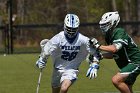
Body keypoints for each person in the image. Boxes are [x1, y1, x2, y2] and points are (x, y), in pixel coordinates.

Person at [36, 14, 102, 93]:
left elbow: (95, 52)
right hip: (57, 69)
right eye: (69, 28)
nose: (71, 31)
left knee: (64, 88)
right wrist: (42, 59)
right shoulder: (58, 38)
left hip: (71, 69)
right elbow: (47, 49)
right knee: (55, 90)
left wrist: (94, 65)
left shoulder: (83, 39)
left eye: (73, 29)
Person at [89, 11, 140, 93]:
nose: (103, 27)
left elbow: (114, 49)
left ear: (114, 22)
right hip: (127, 64)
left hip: (135, 62)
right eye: (102, 25)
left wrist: (98, 46)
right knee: (127, 88)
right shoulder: (109, 35)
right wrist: (101, 56)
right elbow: (114, 54)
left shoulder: (119, 31)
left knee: (116, 80)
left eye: (106, 24)